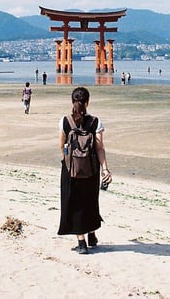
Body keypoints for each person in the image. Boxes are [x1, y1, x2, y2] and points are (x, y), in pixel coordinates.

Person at [57, 86, 112, 254]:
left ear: (72, 101)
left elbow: (62, 145)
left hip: (71, 170)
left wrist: (68, 160)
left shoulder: (65, 121)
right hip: (91, 170)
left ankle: (81, 244)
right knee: (90, 202)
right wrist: (105, 169)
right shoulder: (96, 122)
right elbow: (100, 148)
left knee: (74, 204)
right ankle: (92, 235)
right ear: (88, 102)